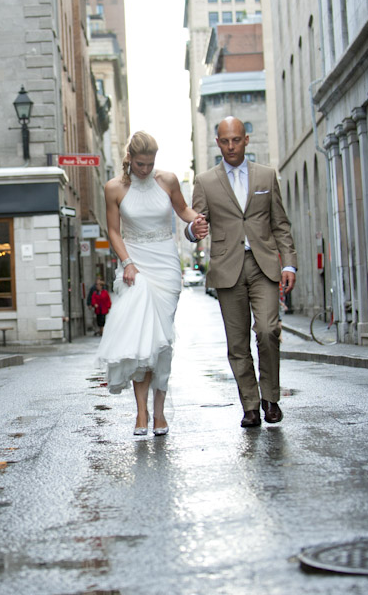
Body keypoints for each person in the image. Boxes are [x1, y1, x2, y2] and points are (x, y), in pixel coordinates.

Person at [186, 116, 297, 428]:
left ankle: (270, 397)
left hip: (264, 265)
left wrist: (288, 262)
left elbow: (281, 225)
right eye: (225, 141)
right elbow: (194, 225)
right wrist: (194, 231)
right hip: (227, 267)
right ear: (218, 143)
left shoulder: (266, 176)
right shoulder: (205, 181)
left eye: (236, 139)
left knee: (267, 330)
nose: (231, 146)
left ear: (246, 139)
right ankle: (250, 406)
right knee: (237, 343)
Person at [96, 131, 202, 436]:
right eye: (140, 164)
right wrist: (127, 262)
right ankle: (141, 413)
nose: (145, 169)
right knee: (140, 340)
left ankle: (159, 413)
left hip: (165, 265)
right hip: (135, 264)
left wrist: (196, 220)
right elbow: (114, 231)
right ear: (130, 158)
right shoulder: (114, 188)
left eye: (150, 163)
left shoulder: (166, 181)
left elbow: (183, 210)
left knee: (162, 341)